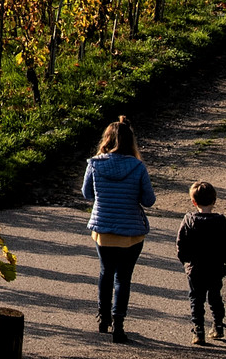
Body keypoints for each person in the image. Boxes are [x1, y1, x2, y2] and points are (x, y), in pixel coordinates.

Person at [81, 115, 155, 343]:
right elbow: (148, 200)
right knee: (123, 278)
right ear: (130, 141)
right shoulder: (138, 166)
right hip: (131, 232)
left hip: (103, 230)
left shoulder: (95, 163)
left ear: (107, 139)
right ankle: (119, 323)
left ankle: (103, 318)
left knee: (106, 273)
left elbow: (87, 194)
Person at [175, 180, 226, 345]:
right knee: (215, 296)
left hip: (195, 268)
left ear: (193, 202)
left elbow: (181, 244)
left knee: (196, 298)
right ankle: (218, 325)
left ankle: (198, 329)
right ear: (214, 200)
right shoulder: (221, 221)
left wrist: (185, 261)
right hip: (216, 268)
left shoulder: (189, 220)